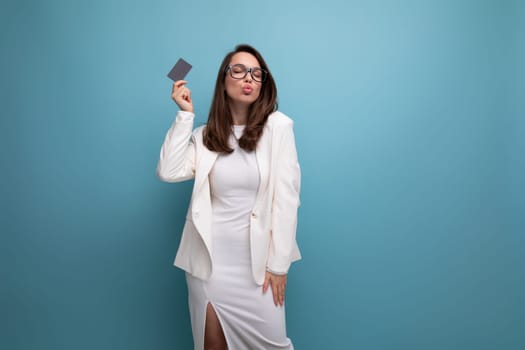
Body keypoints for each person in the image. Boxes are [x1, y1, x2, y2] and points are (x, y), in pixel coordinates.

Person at [157, 44, 301, 350]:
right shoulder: (205, 135)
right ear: (224, 80)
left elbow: (287, 199)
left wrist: (278, 266)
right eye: (238, 70)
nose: (248, 77)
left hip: (259, 269)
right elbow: (168, 171)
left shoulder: (278, 128)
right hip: (210, 269)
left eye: (256, 73)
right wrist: (186, 116)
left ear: (263, 84)